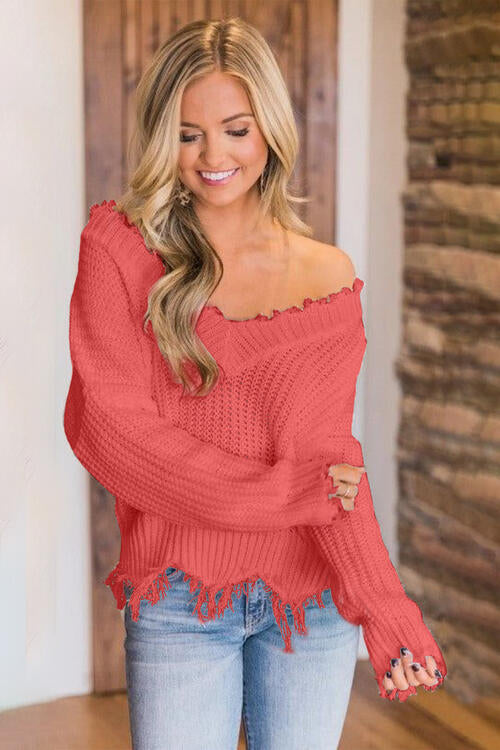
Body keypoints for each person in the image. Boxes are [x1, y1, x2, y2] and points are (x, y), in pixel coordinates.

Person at [63, 17, 447, 750]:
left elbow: (331, 468)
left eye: (236, 129)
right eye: (188, 134)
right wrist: (278, 494)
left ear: (270, 127)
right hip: (181, 598)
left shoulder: (326, 276)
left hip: (311, 602)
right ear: (161, 138)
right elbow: (113, 435)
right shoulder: (118, 250)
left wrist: (386, 607)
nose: (214, 156)